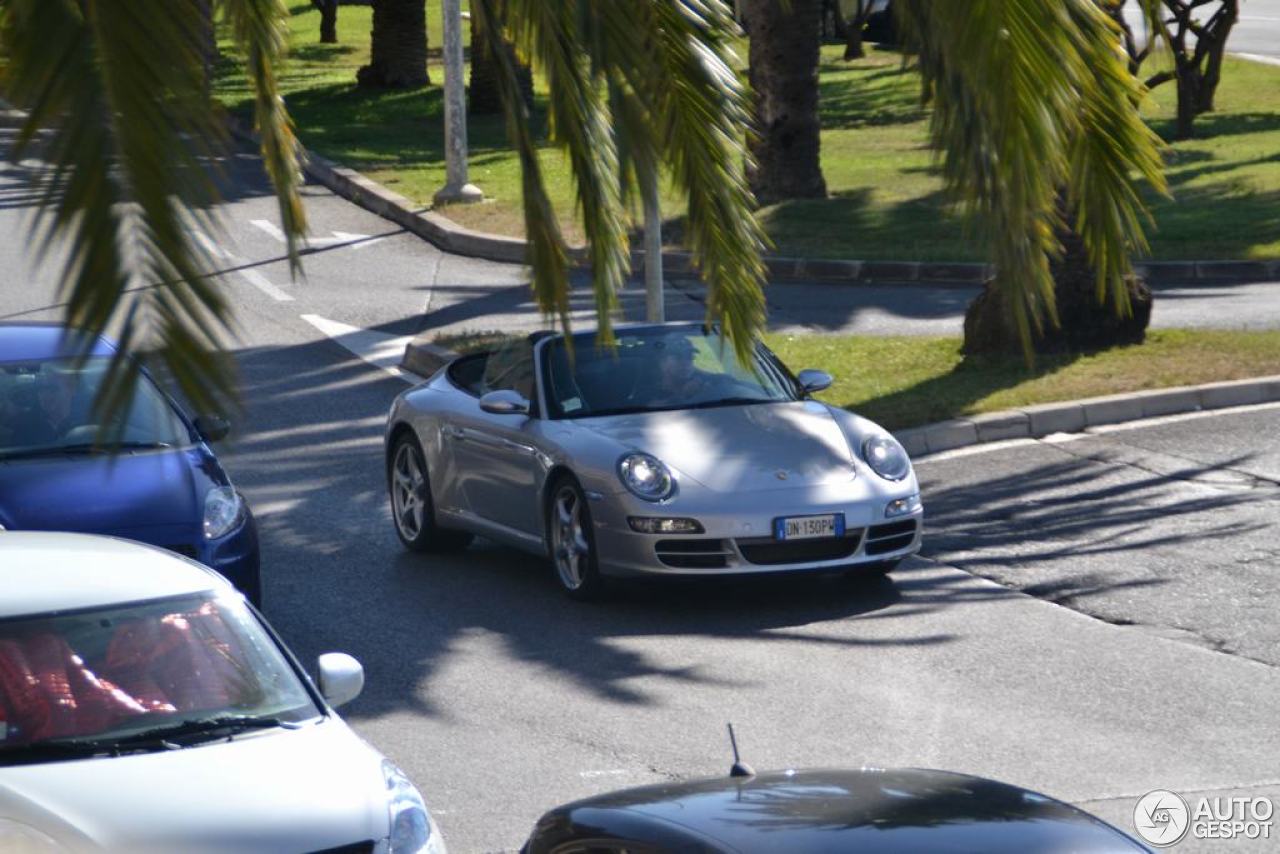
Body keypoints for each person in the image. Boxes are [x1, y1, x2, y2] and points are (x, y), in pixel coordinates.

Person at [8, 371, 78, 447]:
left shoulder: (86, 421)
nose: (45, 395)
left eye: (53, 389)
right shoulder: (25, 425)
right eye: (41, 389)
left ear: (72, 390)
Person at [652, 336, 714, 403]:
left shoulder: (702, 382)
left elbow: (723, 379)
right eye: (678, 357)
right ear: (663, 363)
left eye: (689, 357)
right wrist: (682, 395)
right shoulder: (652, 391)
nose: (685, 362)